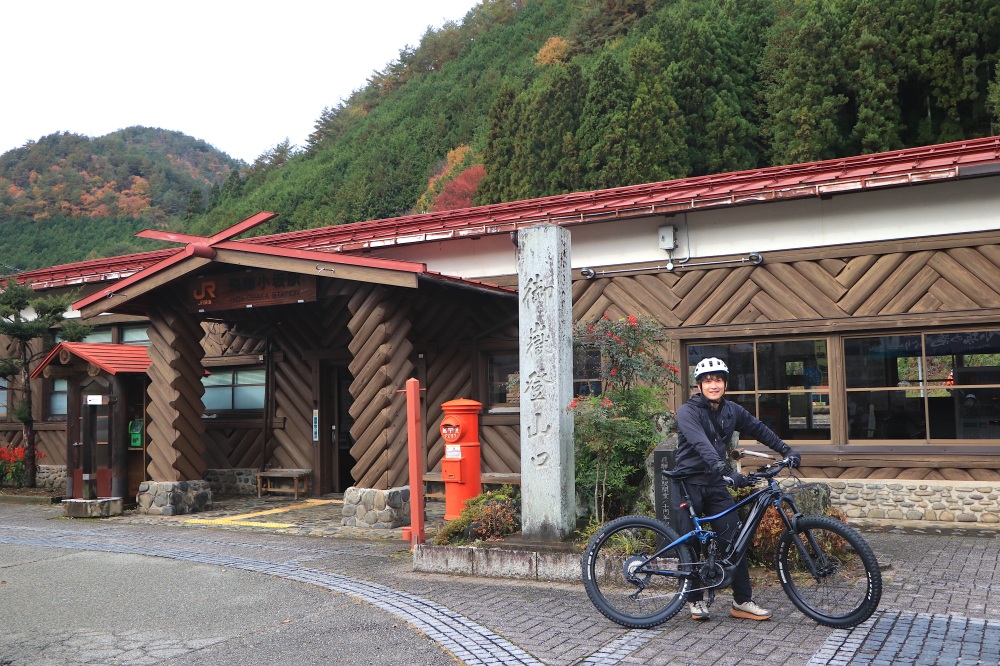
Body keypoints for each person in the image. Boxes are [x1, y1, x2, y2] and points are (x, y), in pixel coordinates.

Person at [671, 357, 802, 622]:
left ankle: (742, 601)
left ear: (725, 383)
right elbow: (701, 445)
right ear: (699, 386)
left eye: (718, 380)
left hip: (716, 484)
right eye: (707, 381)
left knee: (734, 540)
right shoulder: (688, 412)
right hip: (689, 483)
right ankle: (694, 600)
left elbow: (759, 429)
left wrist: (786, 450)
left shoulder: (732, 411)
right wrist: (725, 471)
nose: (713, 385)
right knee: (691, 541)